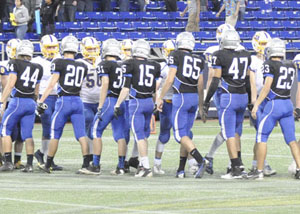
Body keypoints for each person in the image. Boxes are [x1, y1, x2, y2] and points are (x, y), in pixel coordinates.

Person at [203, 29, 255, 179]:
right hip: (243, 96)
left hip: (229, 96)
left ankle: (235, 168)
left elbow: (215, 80)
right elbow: (247, 81)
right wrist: (251, 100)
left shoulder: (219, 55)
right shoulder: (246, 55)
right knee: (237, 131)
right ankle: (240, 164)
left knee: (228, 132)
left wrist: (206, 101)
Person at [157, 32, 207, 179]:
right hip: (194, 97)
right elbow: (200, 84)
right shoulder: (199, 59)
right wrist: (201, 103)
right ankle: (180, 169)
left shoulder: (176, 55)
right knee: (185, 133)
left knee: (179, 135)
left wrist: (160, 97)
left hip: (181, 97)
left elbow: (170, 78)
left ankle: (200, 160)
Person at [37, 35, 91, 174]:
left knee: (55, 134)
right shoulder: (82, 65)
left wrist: (41, 100)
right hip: (78, 101)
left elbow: (51, 84)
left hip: (63, 102)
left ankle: (48, 163)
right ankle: (86, 164)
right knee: (81, 135)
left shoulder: (59, 62)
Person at [249, 38, 300, 180]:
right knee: (291, 139)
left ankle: (259, 171)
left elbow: (267, 87)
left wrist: (257, 105)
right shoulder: (290, 65)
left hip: (274, 104)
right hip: (287, 104)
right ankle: (299, 168)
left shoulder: (269, 64)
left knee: (261, 137)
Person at [114, 39, 161, 177]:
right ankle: (142, 162)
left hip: (137, 102)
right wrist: (156, 101)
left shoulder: (129, 63)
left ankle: (145, 167)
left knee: (139, 135)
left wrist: (117, 104)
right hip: (149, 102)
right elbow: (156, 88)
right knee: (144, 135)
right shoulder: (154, 65)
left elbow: (126, 87)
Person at [0, 40, 43, 173]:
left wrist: (2, 101)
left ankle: (8, 162)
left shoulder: (14, 63)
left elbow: (11, 83)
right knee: (27, 135)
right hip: (30, 103)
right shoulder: (38, 67)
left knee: (5, 130)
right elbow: (36, 91)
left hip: (17, 101)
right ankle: (29, 164)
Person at [88, 39, 127, 175]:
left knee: (95, 132)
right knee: (120, 134)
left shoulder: (104, 64)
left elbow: (105, 83)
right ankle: (121, 166)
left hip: (110, 100)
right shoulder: (123, 65)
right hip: (121, 101)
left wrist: (100, 105)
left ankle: (95, 165)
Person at [247, 31, 276, 177]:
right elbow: (252, 83)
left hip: (267, 100)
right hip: (257, 99)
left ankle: (255, 164)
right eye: (262, 43)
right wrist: (253, 102)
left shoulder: (270, 60)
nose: (264, 47)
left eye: (266, 44)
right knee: (261, 134)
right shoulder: (252, 60)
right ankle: (262, 165)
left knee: (261, 135)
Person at [32, 35, 63, 171]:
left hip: (59, 97)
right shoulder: (36, 62)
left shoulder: (61, 60)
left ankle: (45, 155)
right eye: (48, 47)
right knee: (47, 126)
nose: (51, 49)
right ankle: (44, 156)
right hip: (45, 98)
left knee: (56, 129)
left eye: (53, 47)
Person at [0, 39, 26, 170]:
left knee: (20, 134)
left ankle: (17, 160)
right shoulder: (5, 64)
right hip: (10, 100)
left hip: (20, 100)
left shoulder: (26, 64)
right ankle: (4, 158)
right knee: (5, 132)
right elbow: (6, 86)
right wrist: (2, 105)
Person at [153, 40, 175, 175]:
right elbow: (156, 85)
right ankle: (157, 163)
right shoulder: (163, 66)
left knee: (184, 133)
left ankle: (191, 164)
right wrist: (158, 99)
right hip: (167, 102)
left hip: (178, 101)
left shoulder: (179, 64)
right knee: (165, 134)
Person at [78, 36, 101, 165]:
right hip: (85, 101)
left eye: (94, 49)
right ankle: (89, 157)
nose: (92, 52)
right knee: (88, 130)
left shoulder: (101, 62)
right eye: (89, 49)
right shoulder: (80, 63)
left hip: (99, 102)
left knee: (94, 131)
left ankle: (92, 157)